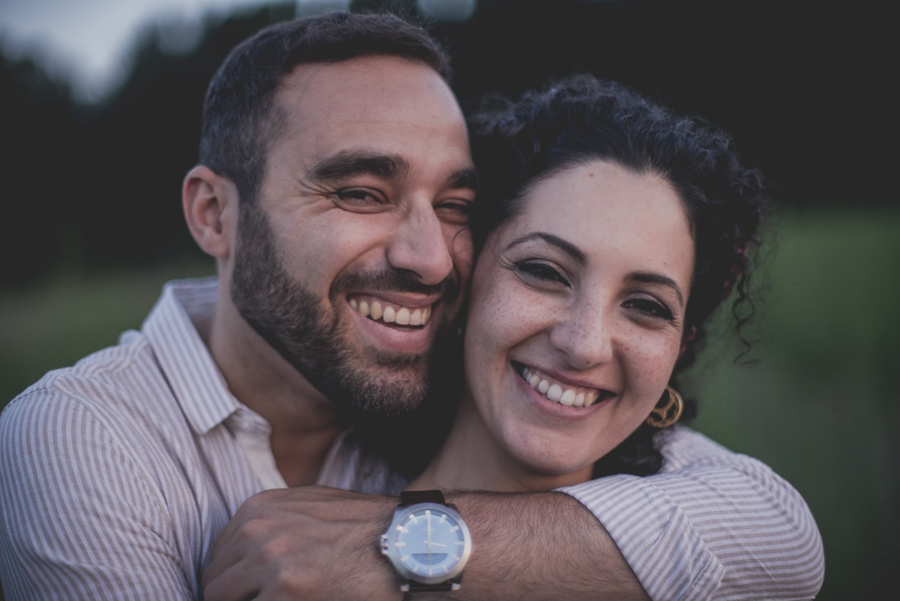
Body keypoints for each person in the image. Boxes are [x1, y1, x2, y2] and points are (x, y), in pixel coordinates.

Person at [0, 12, 822, 601]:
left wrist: (403, 543)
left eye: (455, 205)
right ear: (215, 214)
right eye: (361, 192)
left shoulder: (446, 390)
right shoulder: (88, 434)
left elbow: (782, 535)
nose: (429, 259)